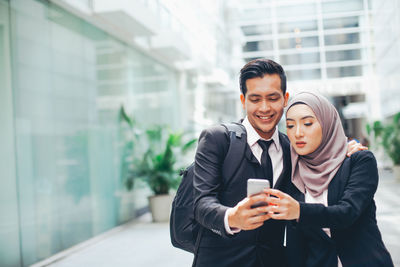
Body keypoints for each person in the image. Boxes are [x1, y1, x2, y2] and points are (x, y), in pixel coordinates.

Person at [192, 59, 365, 267]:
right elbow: (201, 204)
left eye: (272, 98)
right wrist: (231, 217)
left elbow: (322, 156)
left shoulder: (291, 147)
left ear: (285, 99)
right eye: (255, 99)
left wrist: (344, 149)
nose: (264, 108)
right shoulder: (217, 139)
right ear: (243, 100)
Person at [263, 92, 394, 267]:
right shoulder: (292, 171)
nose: (298, 133)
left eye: (307, 123)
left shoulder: (358, 161)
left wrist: (299, 211)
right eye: (290, 125)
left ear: (327, 124)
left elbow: (347, 213)